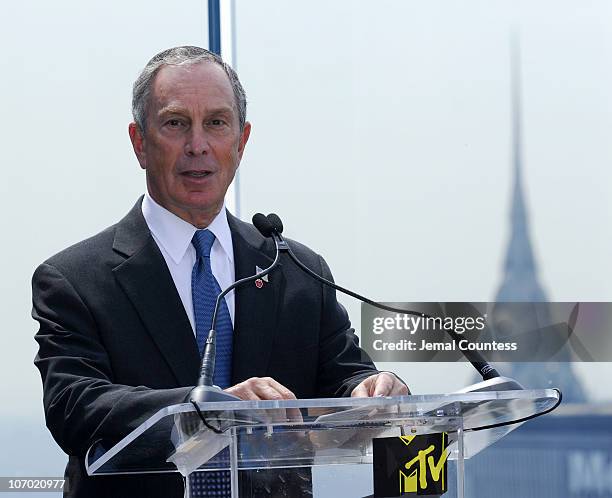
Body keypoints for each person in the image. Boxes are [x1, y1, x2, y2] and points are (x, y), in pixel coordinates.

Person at [32, 46, 408, 498]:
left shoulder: (298, 272)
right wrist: (202, 409)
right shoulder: (75, 279)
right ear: (139, 143)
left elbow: (344, 380)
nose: (198, 144)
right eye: (175, 123)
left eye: (216, 122)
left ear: (241, 141)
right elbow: (73, 407)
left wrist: (371, 392)